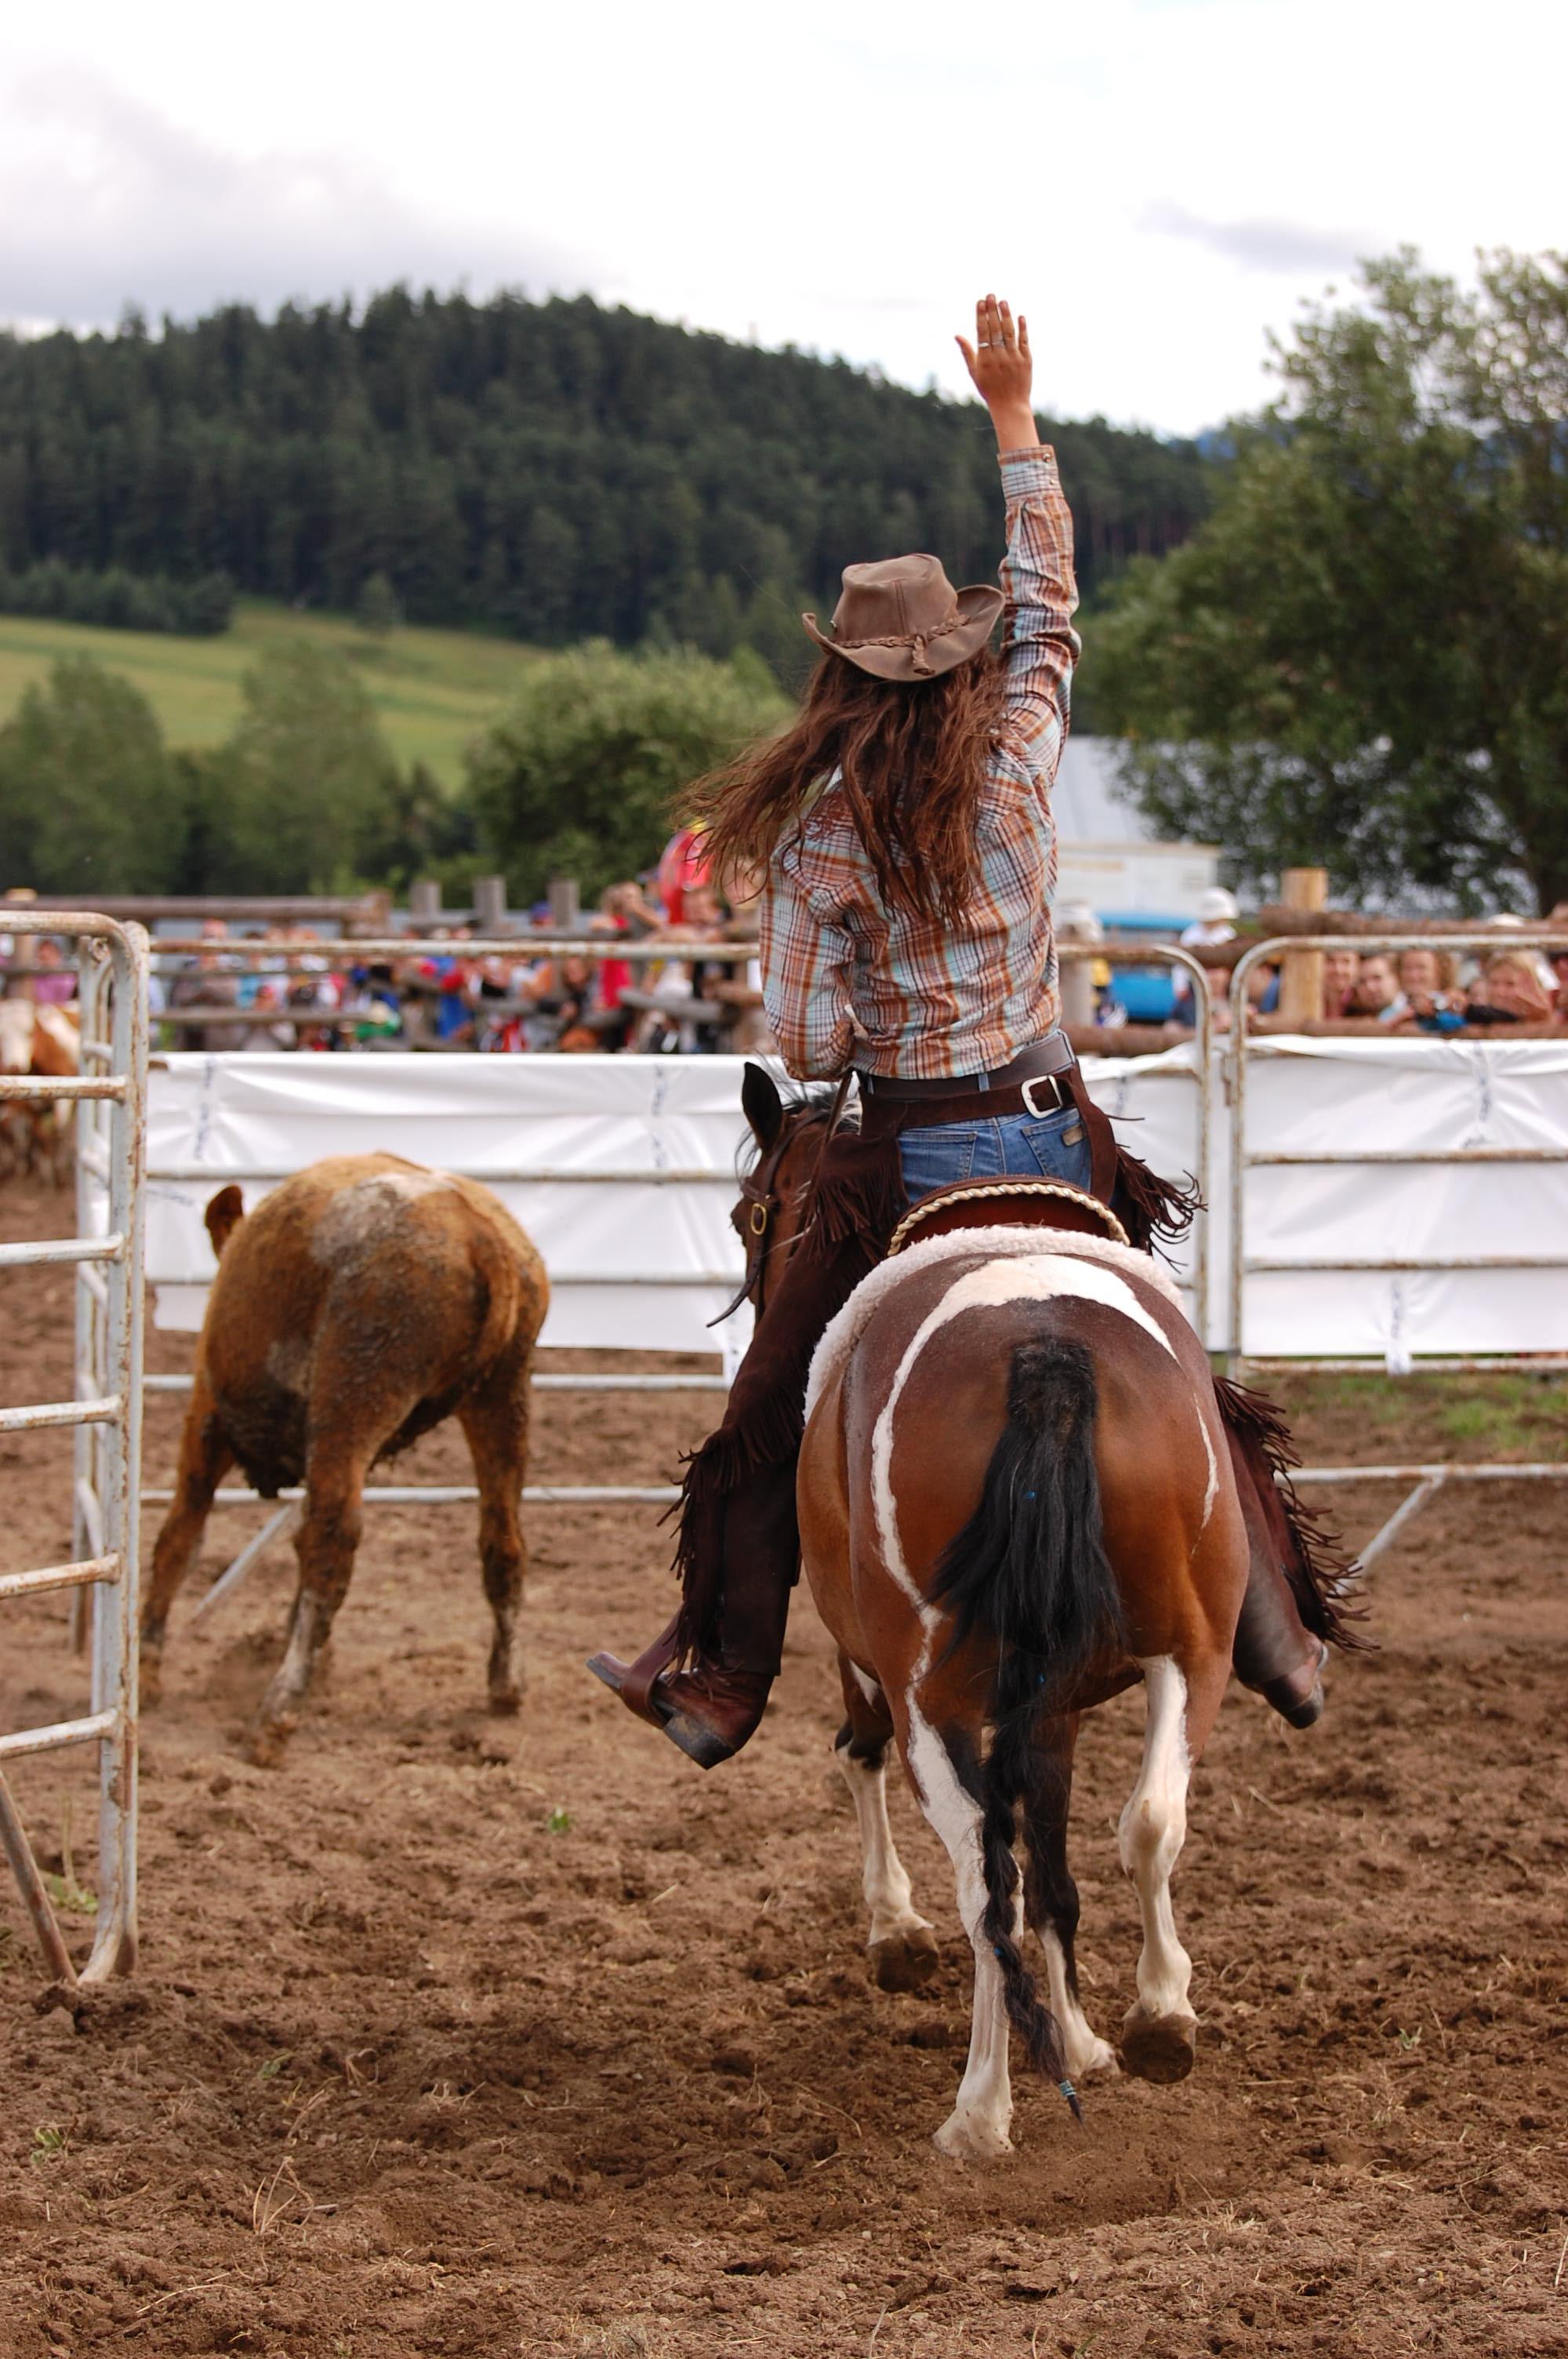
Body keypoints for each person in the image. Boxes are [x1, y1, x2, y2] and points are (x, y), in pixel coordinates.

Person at [590, 295, 1127, 1764]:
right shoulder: (1022, 765)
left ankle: (721, 1676)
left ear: (840, 679)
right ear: (967, 666)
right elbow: (1055, 603)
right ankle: (1268, 1604)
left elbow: (811, 1044)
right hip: (1045, 1129)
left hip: (895, 1155)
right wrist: (1015, 423)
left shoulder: (818, 846)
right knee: (1174, 1367)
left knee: (770, 1412)